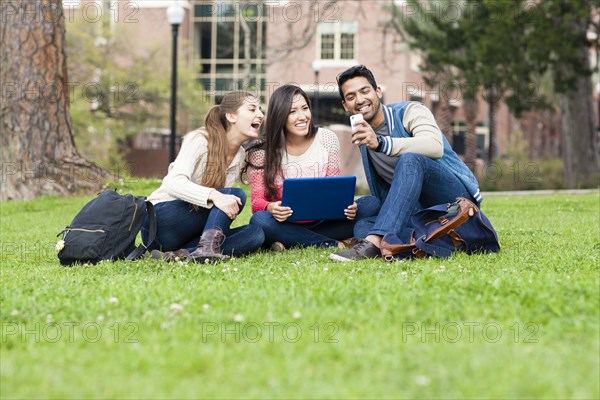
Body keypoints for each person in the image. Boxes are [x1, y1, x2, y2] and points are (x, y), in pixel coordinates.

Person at [330, 65, 482, 262]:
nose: (359, 100)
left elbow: (434, 146)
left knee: (411, 159)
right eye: (351, 97)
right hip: (420, 211)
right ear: (345, 105)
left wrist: (381, 143)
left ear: (377, 92)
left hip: (454, 200)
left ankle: (376, 242)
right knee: (363, 223)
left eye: (364, 91)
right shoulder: (363, 135)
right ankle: (439, 240)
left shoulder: (410, 111)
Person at [245, 84, 380, 250]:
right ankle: (331, 243)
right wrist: (270, 207)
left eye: (304, 108)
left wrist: (347, 205)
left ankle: (291, 242)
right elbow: (256, 202)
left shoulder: (326, 138)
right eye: (293, 111)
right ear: (279, 116)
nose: (302, 116)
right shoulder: (261, 151)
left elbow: (334, 187)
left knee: (372, 203)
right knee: (260, 220)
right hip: (284, 223)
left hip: (327, 222)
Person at [141, 91, 265, 262]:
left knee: (255, 234)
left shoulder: (240, 154)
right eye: (252, 109)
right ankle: (205, 249)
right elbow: (173, 182)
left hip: (188, 233)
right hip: (159, 223)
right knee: (236, 195)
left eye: (260, 110)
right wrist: (214, 195)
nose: (260, 114)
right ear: (231, 116)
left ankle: (182, 254)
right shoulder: (199, 139)